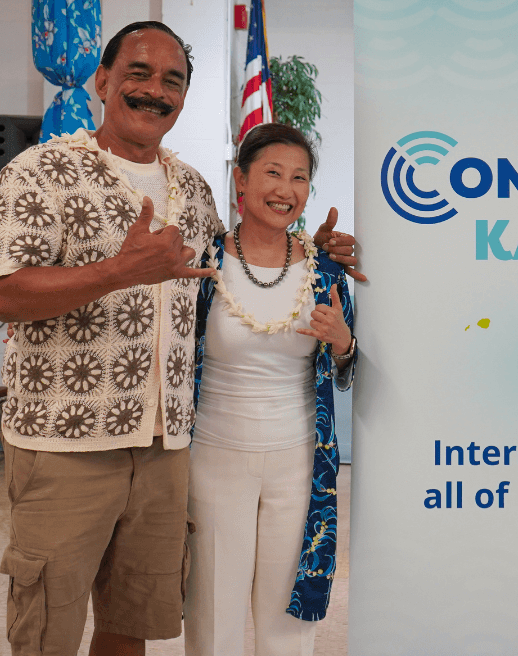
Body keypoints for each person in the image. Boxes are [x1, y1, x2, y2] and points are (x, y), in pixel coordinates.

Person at [0, 21, 360, 656]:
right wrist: (119, 271)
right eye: (138, 73)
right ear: (102, 81)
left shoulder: (191, 191)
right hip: (68, 442)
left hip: (165, 449)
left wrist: (311, 250)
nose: (155, 90)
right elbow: (4, 293)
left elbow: (244, 261)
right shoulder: (39, 172)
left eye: (173, 81)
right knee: (48, 629)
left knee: (133, 624)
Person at [183, 123, 355, 656]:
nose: (286, 189)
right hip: (213, 456)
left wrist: (343, 342)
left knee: (289, 620)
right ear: (241, 180)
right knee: (214, 613)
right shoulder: (200, 263)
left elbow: (347, 366)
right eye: (273, 173)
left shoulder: (325, 270)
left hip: (299, 460)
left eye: (299, 177)